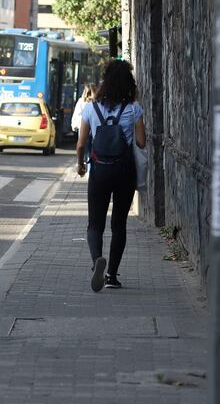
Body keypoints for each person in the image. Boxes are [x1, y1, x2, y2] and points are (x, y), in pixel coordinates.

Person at [76, 59, 146, 292]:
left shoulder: (90, 109)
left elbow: (80, 144)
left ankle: (97, 259)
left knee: (94, 224)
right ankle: (112, 276)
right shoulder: (134, 109)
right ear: (128, 82)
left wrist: (80, 165)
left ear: (105, 82)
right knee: (119, 224)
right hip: (124, 171)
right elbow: (141, 142)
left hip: (99, 170)